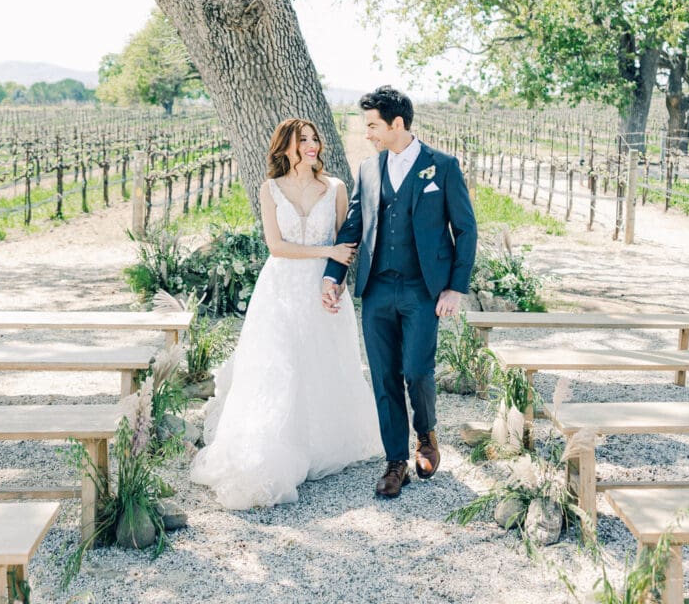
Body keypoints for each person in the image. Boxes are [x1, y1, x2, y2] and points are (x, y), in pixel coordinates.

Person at [190, 117, 382, 509]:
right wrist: (325, 251)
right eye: (302, 140)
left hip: (324, 289)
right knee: (281, 367)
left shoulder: (335, 188)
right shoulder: (270, 189)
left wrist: (337, 279)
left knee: (324, 363)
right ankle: (276, 447)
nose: (311, 145)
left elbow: (347, 243)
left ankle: (320, 442)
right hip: (280, 290)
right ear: (285, 148)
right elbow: (276, 246)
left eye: (314, 139)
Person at [323, 86, 477, 498]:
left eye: (372, 126)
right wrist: (333, 275)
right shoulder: (369, 170)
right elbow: (353, 226)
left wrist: (455, 289)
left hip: (422, 290)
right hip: (377, 288)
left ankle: (425, 433)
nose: (368, 134)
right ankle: (395, 462)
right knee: (384, 377)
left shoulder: (441, 166)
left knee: (416, 371)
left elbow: (465, 228)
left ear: (397, 124)